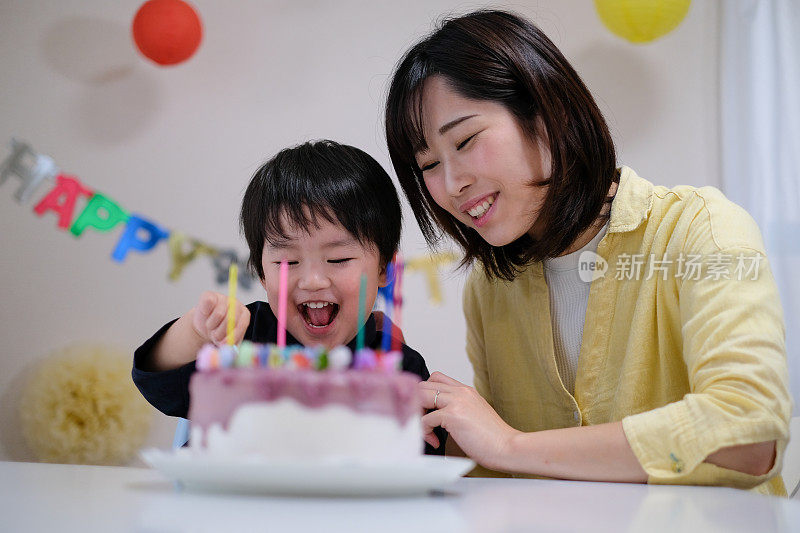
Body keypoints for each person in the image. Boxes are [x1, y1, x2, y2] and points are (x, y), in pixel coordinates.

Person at [384, 9, 790, 493]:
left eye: (466, 140)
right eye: (428, 164)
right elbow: (503, 472)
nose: (452, 184)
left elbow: (752, 430)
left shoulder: (699, 230)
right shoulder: (491, 288)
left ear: (546, 112)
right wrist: (421, 428)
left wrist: (510, 444)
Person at [132, 140, 445, 455]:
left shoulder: (396, 366)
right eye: (287, 262)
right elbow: (156, 381)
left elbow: (426, 453)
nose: (312, 281)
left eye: (337, 260)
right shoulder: (242, 339)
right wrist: (196, 332)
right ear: (261, 272)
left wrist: (406, 435)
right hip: (229, 499)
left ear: (384, 269)